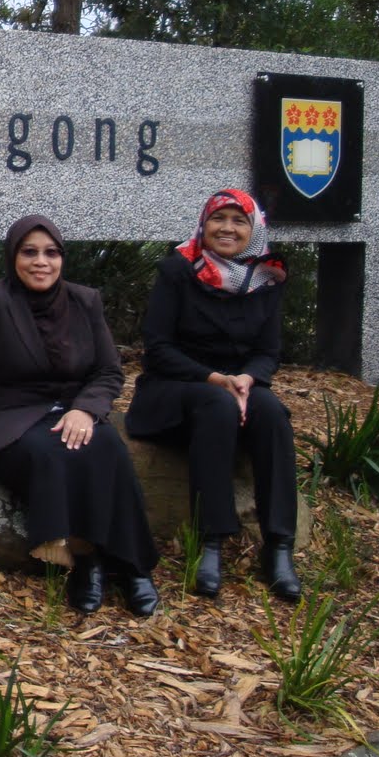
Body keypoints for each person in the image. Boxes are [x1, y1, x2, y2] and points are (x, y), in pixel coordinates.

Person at [0, 214, 160, 617]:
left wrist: (86, 409)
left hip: (70, 411)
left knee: (107, 445)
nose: (42, 262)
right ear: (12, 257)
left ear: (62, 258)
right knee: (53, 454)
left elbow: (109, 371)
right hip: (6, 419)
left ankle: (132, 566)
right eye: (30, 252)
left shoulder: (84, 300)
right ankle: (85, 560)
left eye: (51, 253)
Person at [124, 188, 301, 601]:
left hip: (238, 388)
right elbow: (159, 348)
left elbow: (268, 351)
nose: (227, 228)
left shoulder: (267, 278)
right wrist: (215, 379)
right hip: (176, 388)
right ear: (203, 225)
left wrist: (248, 380)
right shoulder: (178, 269)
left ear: (254, 229)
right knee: (216, 404)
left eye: (239, 221)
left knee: (273, 411)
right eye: (218, 219)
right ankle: (210, 542)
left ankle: (278, 546)